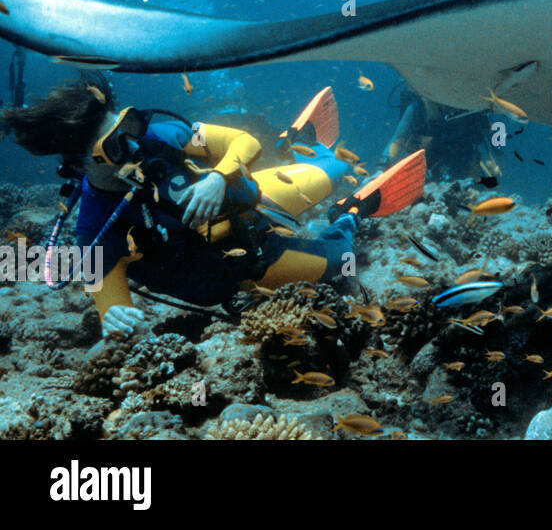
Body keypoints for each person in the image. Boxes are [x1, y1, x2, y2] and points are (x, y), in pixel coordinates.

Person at [0, 75, 425, 339]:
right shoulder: (96, 221)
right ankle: (351, 212)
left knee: (332, 168)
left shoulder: (159, 137)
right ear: (82, 163)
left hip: (252, 197)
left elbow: (242, 143)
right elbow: (109, 294)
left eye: (127, 126)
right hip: (254, 264)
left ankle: (305, 146)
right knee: (342, 260)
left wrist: (220, 177)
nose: (133, 143)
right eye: (115, 145)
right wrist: (113, 317)